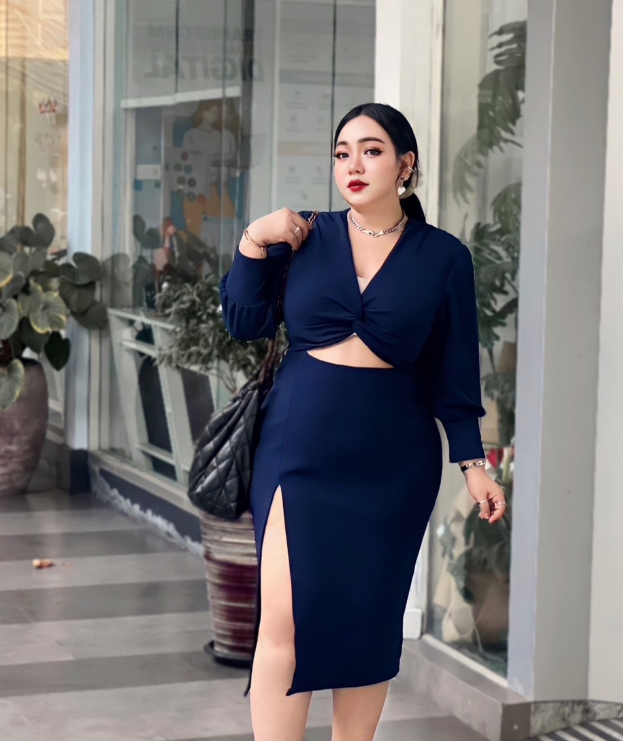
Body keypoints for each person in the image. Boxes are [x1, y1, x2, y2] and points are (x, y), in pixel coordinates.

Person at [219, 102, 507, 741]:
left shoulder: (444, 257)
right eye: (342, 152)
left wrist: (474, 465)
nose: (353, 164)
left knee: (368, 624)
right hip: (298, 449)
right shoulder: (303, 236)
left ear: (405, 165)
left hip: (392, 463)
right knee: (283, 621)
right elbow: (243, 321)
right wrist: (254, 240)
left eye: (371, 151)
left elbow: (455, 375)